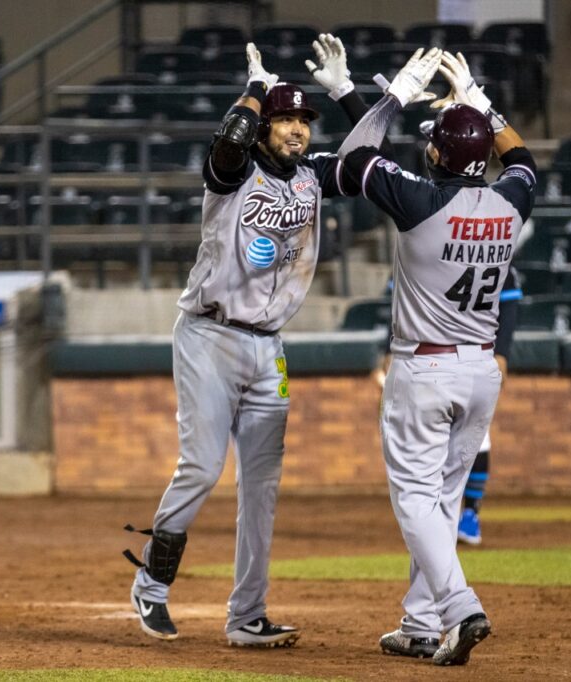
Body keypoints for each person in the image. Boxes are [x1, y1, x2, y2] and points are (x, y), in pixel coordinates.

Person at [124, 38, 371, 648]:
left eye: (302, 120)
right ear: (265, 126)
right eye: (286, 120)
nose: (296, 129)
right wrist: (258, 90)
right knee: (204, 467)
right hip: (209, 334)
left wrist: (346, 94)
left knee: (261, 489)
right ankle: (152, 586)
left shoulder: (312, 178)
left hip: (269, 349)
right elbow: (230, 141)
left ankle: (246, 617)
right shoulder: (233, 176)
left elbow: (371, 163)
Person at [337, 49, 536, 665]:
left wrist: (393, 98)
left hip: (424, 366)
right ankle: (421, 623)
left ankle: (459, 607)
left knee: (417, 499)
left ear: (435, 153)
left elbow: (352, 160)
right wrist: (478, 100)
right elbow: (523, 160)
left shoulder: (419, 200)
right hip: (480, 368)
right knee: (445, 498)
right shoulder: (511, 202)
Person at [457, 264, 521, 545]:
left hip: (477, 352)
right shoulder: (436, 247)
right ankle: (440, 515)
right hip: (434, 352)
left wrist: (503, 353)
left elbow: (509, 309)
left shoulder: (499, 256)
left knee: (478, 436)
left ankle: (470, 513)